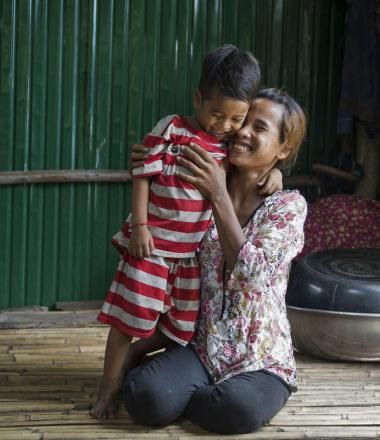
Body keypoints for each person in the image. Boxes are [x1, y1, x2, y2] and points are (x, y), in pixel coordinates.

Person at [91, 46, 282, 419]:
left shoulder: (228, 146)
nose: (224, 126)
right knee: (128, 320)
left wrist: (277, 174)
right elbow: (142, 173)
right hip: (153, 248)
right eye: (217, 114)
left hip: (190, 257)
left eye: (235, 119)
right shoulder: (173, 129)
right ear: (198, 98)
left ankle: (143, 369)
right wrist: (141, 227)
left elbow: (255, 166)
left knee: (180, 326)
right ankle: (106, 392)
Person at [122, 88, 307, 434]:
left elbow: (251, 276)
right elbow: (156, 176)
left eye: (259, 127)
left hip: (261, 361)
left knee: (237, 408)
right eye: (243, 122)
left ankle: (194, 397)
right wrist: (147, 159)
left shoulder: (287, 208)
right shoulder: (199, 185)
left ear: (283, 149)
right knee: (143, 397)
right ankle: (185, 392)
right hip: (201, 350)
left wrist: (220, 194)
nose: (242, 131)